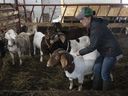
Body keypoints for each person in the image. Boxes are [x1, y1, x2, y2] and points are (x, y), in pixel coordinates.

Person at [76, 7, 123, 91]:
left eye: (82, 19)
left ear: (88, 18)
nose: (80, 21)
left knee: (104, 73)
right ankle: (96, 88)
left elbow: (93, 46)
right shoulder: (93, 24)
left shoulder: (96, 27)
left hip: (111, 51)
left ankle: (106, 91)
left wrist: (80, 52)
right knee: (96, 68)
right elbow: (94, 42)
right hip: (104, 51)